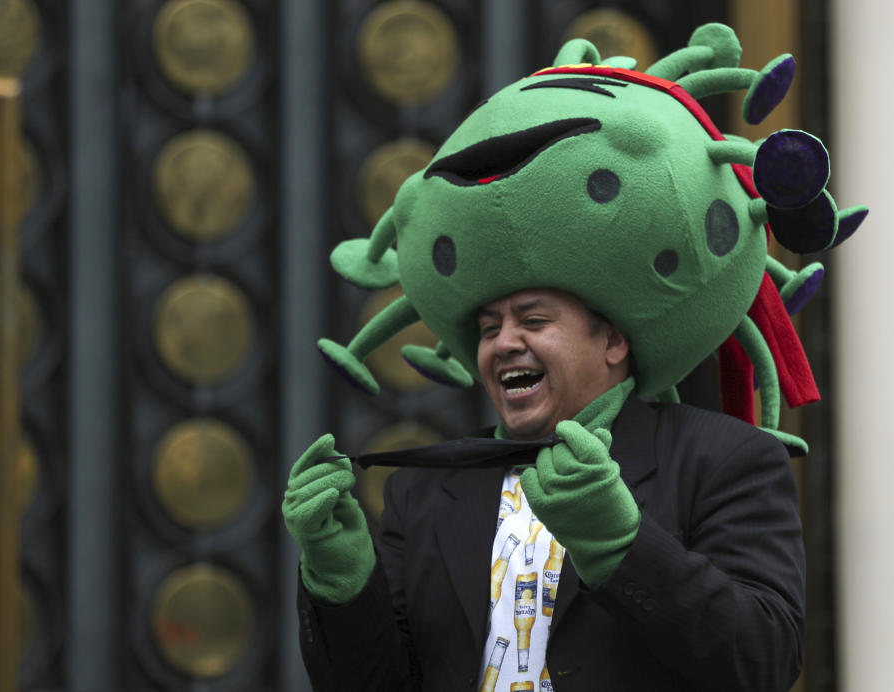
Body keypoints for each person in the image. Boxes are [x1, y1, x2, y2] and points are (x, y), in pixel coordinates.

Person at [282, 22, 864, 692]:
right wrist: (338, 574)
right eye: (488, 327)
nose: (503, 343)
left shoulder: (725, 460)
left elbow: (762, 662)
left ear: (614, 342)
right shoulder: (424, 491)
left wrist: (620, 544)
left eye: (533, 320)